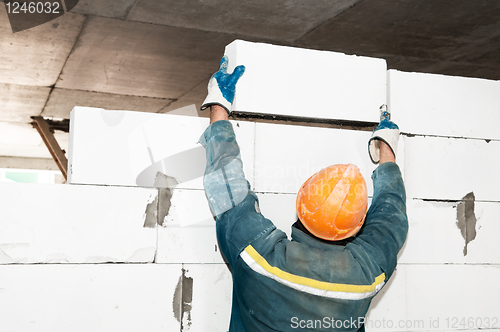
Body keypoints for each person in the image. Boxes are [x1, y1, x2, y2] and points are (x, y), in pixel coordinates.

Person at [199, 56, 408, 332]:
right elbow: (391, 216)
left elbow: (227, 186)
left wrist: (219, 107)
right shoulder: (365, 275)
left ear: (301, 206)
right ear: (358, 226)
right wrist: (387, 149)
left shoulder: (259, 259)